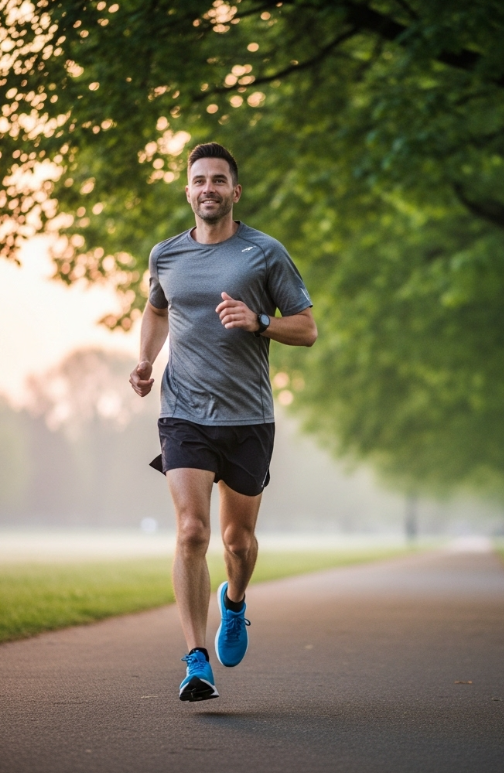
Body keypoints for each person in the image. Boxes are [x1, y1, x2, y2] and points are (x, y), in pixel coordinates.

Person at [129, 142, 317, 701]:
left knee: (238, 541)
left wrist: (259, 321)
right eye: (199, 180)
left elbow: (306, 328)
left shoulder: (264, 253)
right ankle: (196, 660)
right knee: (192, 531)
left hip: (248, 418)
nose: (207, 188)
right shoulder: (166, 255)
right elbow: (157, 308)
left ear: (235, 191)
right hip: (183, 412)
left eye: (218, 180)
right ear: (187, 191)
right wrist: (146, 360)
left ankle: (234, 603)